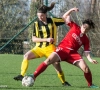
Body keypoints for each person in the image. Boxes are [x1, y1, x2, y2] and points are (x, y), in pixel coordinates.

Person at [29, 7, 99, 88]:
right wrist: (71, 10)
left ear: (89, 30)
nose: (84, 30)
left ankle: (90, 85)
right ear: (82, 25)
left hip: (73, 54)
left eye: (87, 30)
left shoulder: (86, 39)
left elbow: (87, 52)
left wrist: (90, 59)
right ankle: (33, 76)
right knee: (48, 60)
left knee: (86, 68)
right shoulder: (74, 26)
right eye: (84, 28)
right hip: (62, 50)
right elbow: (65, 17)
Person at [13, 2, 71, 86]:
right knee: (26, 56)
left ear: (45, 14)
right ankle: (22, 75)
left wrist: (71, 10)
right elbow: (34, 39)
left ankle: (64, 82)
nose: (40, 17)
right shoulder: (36, 24)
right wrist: (46, 39)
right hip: (39, 48)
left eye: (42, 16)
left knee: (57, 65)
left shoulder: (53, 21)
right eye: (38, 16)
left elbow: (64, 18)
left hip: (50, 49)